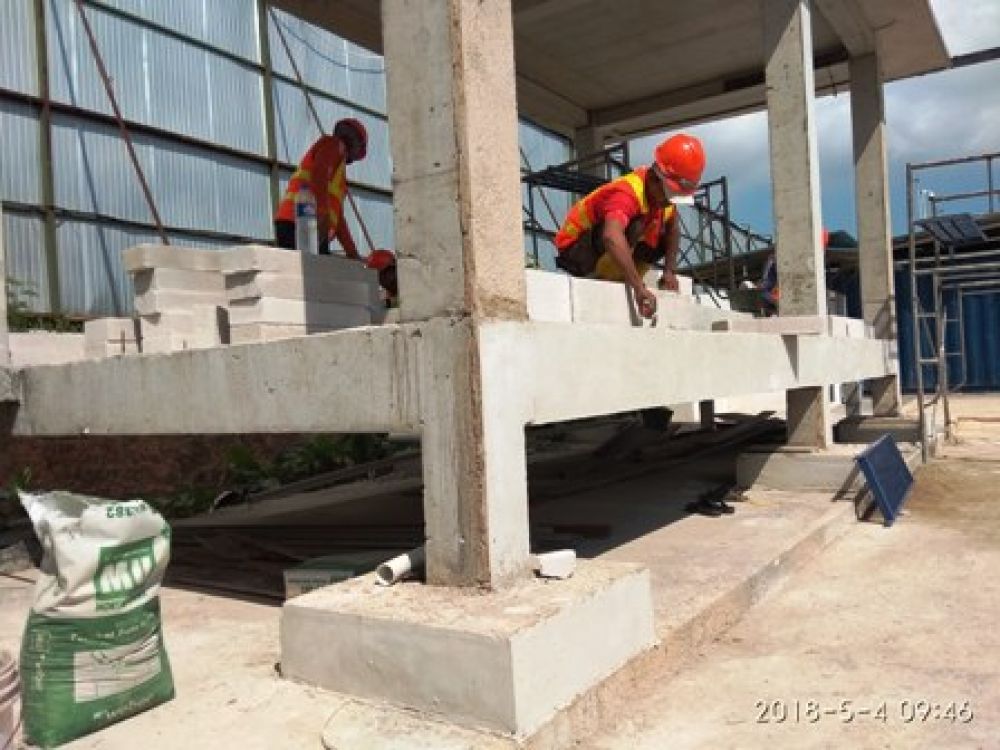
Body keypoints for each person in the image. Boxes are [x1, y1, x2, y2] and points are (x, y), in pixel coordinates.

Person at [554, 133, 706, 318]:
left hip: (600, 249)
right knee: (635, 226)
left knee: (657, 234)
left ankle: (621, 276)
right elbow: (611, 236)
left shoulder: (663, 201)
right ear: (655, 179)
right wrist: (638, 288)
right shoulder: (627, 193)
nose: (670, 202)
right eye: (670, 194)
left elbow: (673, 230)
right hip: (576, 250)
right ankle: (605, 278)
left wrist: (669, 272)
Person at [274, 118, 368, 258]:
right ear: (356, 144)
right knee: (310, 272)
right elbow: (320, 173)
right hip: (301, 220)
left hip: (306, 223)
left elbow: (339, 220)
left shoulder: (338, 177)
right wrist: (322, 213)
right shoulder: (334, 144)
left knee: (313, 272)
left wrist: (352, 252)